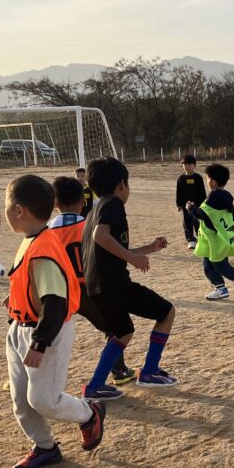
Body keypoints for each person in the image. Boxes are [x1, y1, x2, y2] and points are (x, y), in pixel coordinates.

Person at [3, 174, 106, 468]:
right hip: (20, 329)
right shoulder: (31, 240)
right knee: (22, 400)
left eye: (7, 205)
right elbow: (33, 284)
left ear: (19, 210)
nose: (5, 210)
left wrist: (39, 343)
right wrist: (16, 298)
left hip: (45, 332)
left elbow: (56, 303)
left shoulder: (44, 248)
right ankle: (45, 447)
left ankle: (89, 413)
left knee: (44, 400)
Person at [82, 157, 178, 395]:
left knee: (123, 332)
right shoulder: (113, 204)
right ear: (121, 184)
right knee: (166, 312)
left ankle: (94, 387)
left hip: (96, 287)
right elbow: (100, 236)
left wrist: (149, 248)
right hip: (114, 285)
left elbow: (109, 248)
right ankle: (150, 371)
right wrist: (134, 260)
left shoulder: (93, 211)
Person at [49, 176, 136, 385]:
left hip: (58, 291)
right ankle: (119, 370)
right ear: (82, 202)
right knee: (114, 329)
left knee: (42, 331)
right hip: (88, 290)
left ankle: (22, 376)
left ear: (55, 203)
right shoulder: (89, 226)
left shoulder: (47, 231)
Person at [187, 163, 234, 300]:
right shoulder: (225, 196)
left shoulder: (213, 196)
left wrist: (191, 208)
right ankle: (220, 288)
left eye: (207, 179)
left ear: (213, 181)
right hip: (211, 238)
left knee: (219, 264)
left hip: (217, 238)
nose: (207, 182)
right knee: (208, 263)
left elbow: (203, 214)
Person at [175, 154, 206, 250]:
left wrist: (204, 204)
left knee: (198, 222)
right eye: (185, 164)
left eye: (189, 164)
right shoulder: (181, 179)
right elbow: (178, 192)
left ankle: (200, 239)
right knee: (187, 223)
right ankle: (191, 240)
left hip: (197, 206)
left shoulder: (198, 178)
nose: (187, 166)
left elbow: (202, 192)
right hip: (185, 206)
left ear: (194, 165)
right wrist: (178, 204)